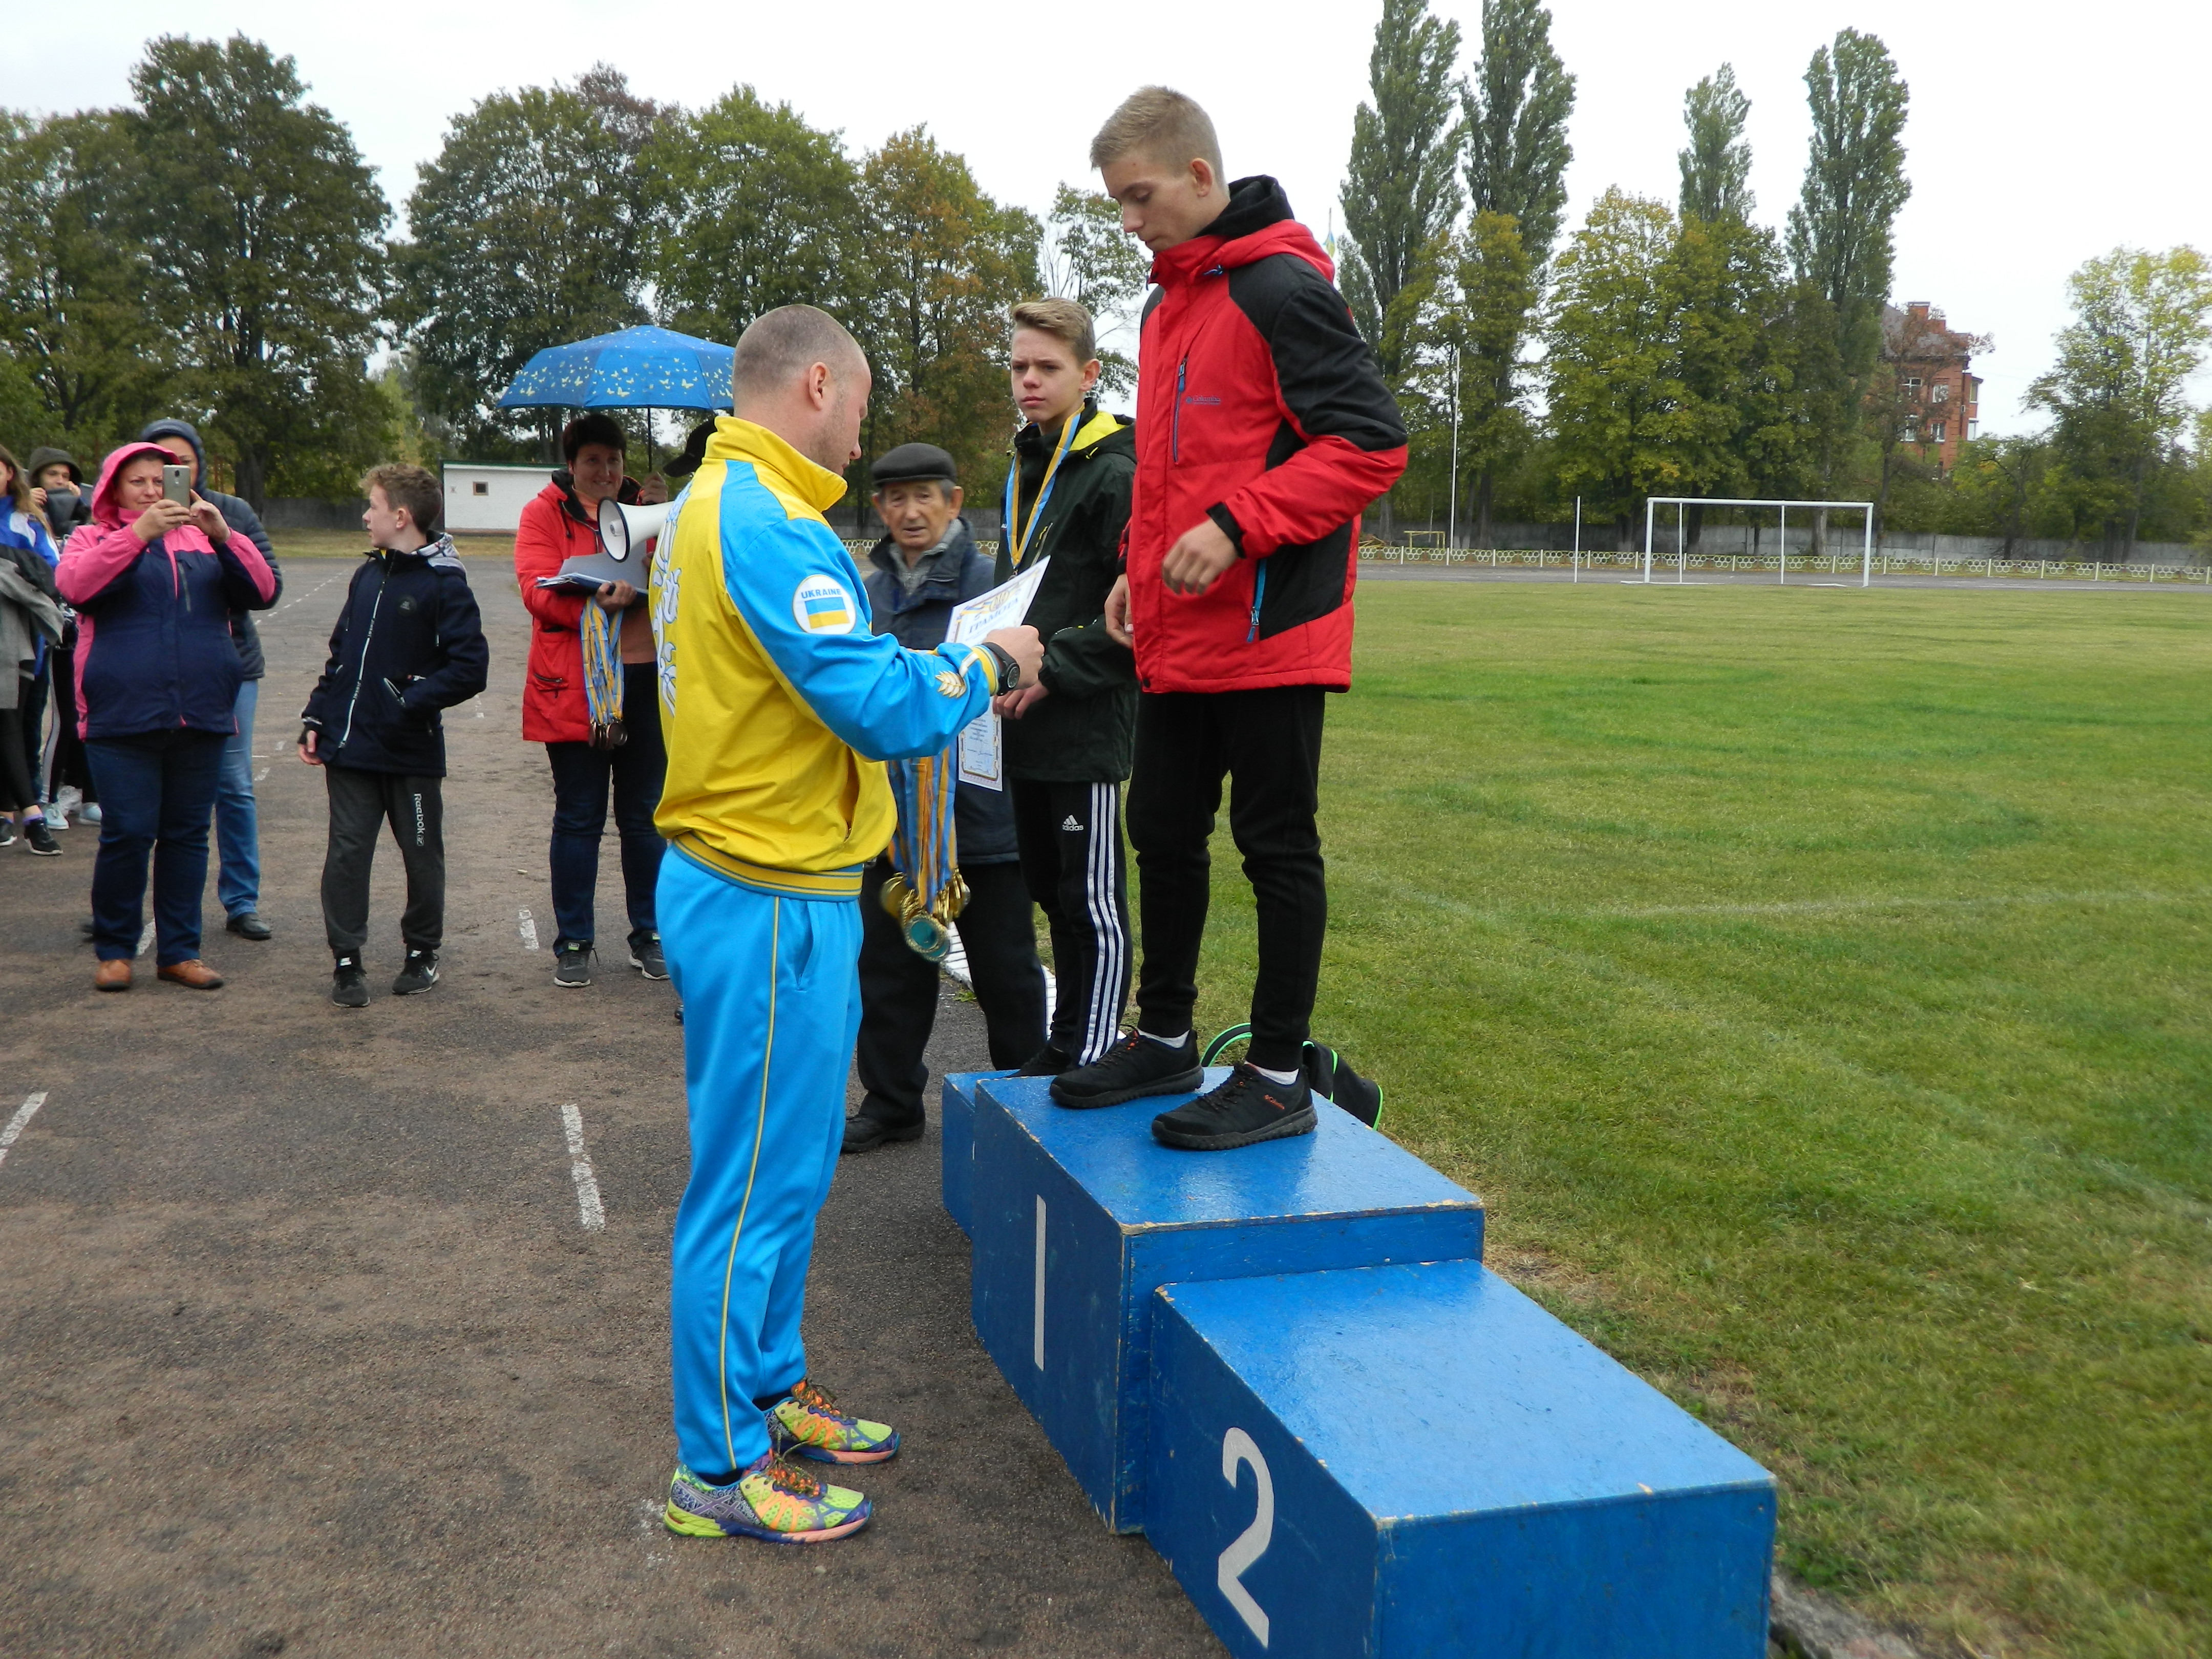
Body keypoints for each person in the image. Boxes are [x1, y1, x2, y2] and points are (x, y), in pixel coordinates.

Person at [649, 304, 1040, 1544]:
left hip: (784, 883)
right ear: (818, 382)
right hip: (763, 890)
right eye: (862, 404)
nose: (865, 429)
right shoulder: (761, 519)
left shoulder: (734, 505)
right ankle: (716, 1468)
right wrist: (991, 662)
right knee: (752, 1178)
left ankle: (765, 1386)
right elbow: (874, 699)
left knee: (791, 1168)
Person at [1052, 88, 1408, 1150]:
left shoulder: (1282, 288)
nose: (1129, 223)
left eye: (1140, 197)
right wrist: (1133, 569)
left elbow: (1369, 445)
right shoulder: (1167, 310)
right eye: (1117, 204)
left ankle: (1279, 1073)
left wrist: (1239, 526)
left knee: (1275, 848)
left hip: (1272, 633)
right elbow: (1171, 470)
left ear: (1202, 178)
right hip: (1178, 635)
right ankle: (1165, 1036)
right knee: (1159, 829)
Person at [844, 442, 1049, 1154]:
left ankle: (1026, 1104)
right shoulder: (865, 594)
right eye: (894, 499)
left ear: (955, 503)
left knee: (1007, 973)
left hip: (984, 820)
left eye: (924, 496)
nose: (909, 511)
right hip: (893, 823)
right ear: (879, 508)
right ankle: (893, 1102)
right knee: (889, 972)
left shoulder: (994, 590)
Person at [56, 442, 278, 990]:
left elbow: (263, 589)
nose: (153, 491)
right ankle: (115, 949)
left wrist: (224, 534)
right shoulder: (95, 537)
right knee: (128, 834)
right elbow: (76, 588)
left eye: (162, 481)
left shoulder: (205, 537)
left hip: (200, 712)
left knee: (186, 836)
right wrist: (139, 535)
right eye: (139, 482)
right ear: (113, 489)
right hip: (121, 715)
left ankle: (179, 951)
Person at [990, 299, 1139, 1078]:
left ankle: (1097, 1045)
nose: (1029, 382)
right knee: (1049, 889)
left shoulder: (1114, 470)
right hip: (1023, 721)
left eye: (1047, 368)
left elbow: (1142, 614)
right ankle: (1068, 1037)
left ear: (1089, 374)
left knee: (1092, 902)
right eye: (1018, 367)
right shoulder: (1025, 463)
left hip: (1082, 724)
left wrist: (1054, 671)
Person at [299, 464, 490, 1008]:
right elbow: (342, 658)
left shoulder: (444, 583)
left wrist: (411, 699)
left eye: (374, 506)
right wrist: (317, 717)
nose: (366, 515)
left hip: (411, 753)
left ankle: (422, 952)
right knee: (347, 855)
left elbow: (470, 666)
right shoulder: (366, 575)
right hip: (351, 749)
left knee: (422, 852)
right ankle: (346, 959)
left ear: (401, 517)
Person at [514, 413, 667, 989]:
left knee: (644, 814)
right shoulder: (543, 513)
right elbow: (536, 589)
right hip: (577, 684)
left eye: (615, 460)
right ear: (572, 465)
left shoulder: (649, 510)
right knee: (578, 817)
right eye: (593, 461)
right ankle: (574, 939)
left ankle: (648, 932)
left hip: (646, 676)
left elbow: (682, 580)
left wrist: (664, 519)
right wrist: (596, 601)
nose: (606, 472)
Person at [141, 419, 284, 942]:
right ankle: (135, 902)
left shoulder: (231, 511)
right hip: (151, 675)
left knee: (233, 785)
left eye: (184, 462)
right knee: (145, 793)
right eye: (160, 463)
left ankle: (241, 900)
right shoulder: (126, 517)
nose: (173, 473)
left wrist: (219, 536)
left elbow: (267, 588)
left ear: (199, 464)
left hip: (228, 668)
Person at [24, 451, 97, 831]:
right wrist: (26, 503)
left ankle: (90, 797)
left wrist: (81, 505)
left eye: (67, 476)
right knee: (66, 718)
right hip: (57, 634)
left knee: (94, 716)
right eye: (52, 474)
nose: (59, 481)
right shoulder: (28, 519)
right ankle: (46, 799)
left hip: (91, 629)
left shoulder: (82, 521)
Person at [0, 443, 64, 854]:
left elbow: (53, 575)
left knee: (17, 726)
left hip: (20, 643)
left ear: (9, 472)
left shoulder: (25, 520)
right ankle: (17, 814)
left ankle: (24, 811)